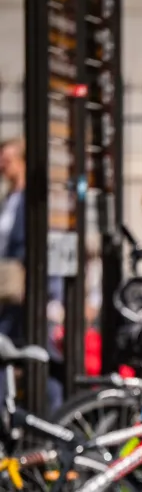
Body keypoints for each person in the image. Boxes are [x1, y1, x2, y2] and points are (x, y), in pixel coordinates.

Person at [0, 137, 63, 410]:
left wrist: (47, 293)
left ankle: (57, 416)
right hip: (11, 294)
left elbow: (35, 245)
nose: (2, 165)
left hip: (28, 290)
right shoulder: (9, 198)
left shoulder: (32, 200)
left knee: (40, 356)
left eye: (8, 159)